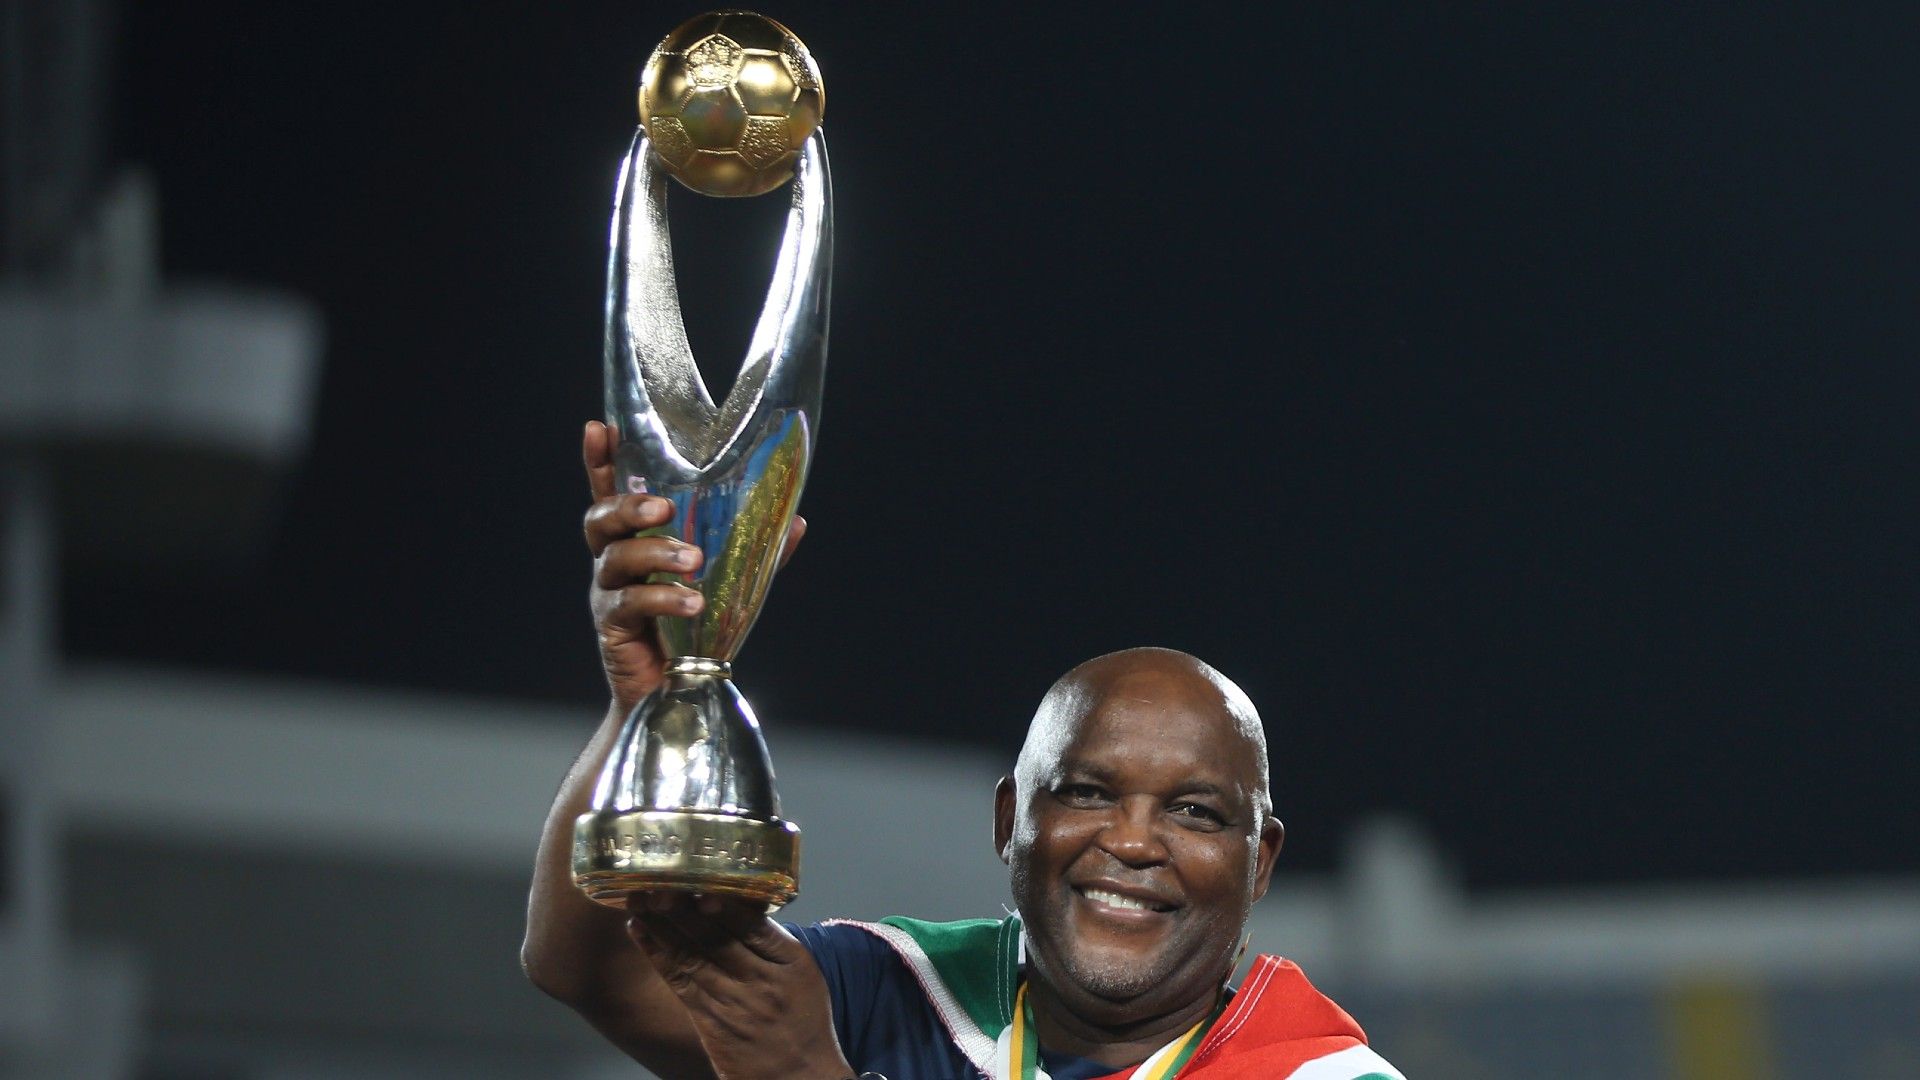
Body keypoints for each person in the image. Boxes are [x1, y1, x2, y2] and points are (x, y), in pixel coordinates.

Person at [523, 422, 1403, 1079]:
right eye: (1088, 793)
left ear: (1260, 862)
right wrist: (652, 701)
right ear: (1011, 819)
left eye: (1195, 812)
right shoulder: (906, 988)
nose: (1133, 843)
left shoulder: (1318, 1074)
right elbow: (587, 967)